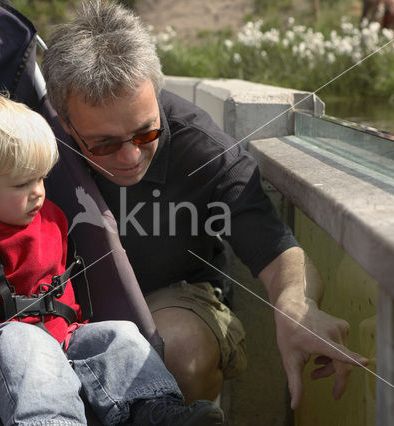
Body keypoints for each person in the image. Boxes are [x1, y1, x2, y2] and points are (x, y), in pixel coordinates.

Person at [41, 0, 368, 409]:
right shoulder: (34, 142)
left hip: (172, 299)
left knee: (177, 351)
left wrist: (295, 307)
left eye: (146, 133)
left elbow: (276, 248)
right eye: (104, 144)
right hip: (61, 302)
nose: (129, 158)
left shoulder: (204, 150)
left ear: (156, 94)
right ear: (65, 123)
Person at [0, 91, 224, 425]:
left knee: (119, 335)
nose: (38, 192)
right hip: (12, 353)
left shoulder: (46, 216)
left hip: (64, 335)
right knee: (24, 339)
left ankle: (152, 410)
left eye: (42, 178)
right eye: (22, 184)